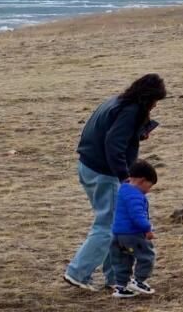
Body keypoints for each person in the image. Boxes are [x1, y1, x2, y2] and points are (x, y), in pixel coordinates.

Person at [64, 74, 167, 291]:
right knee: (109, 226)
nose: (155, 105)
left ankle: (114, 278)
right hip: (104, 173)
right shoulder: (131, 111)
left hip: (89, 166)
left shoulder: (117, 102)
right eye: (155, 101)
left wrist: (137, 134)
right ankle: (78, 272)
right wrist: (124, 177)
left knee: (114, 223)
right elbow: (113, 144)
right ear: (148, 98)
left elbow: (109, 134)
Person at [110, 159, 157, 299]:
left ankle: (121, 286)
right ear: (142, 181)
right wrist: (148, 229)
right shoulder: (135, 196)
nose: (148, 191)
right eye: (149, 186)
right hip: (132, 234)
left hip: (118, 234)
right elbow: (137, 216)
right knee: (147, 256)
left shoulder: (123, 189)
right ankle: (139, 281)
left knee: (123, 259)